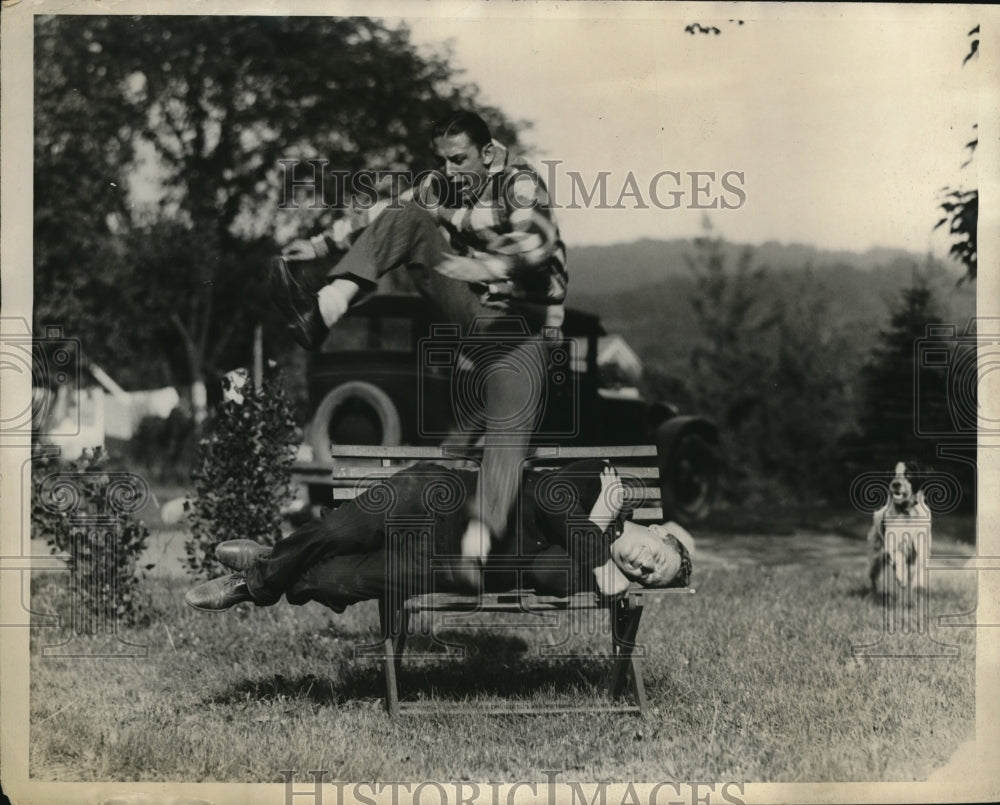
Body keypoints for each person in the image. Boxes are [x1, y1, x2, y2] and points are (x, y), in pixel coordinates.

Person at [271, 111, 567, 567]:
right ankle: (326, 307)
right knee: (409, 211)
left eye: (459, 159)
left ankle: (477, 552)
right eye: (443, 160)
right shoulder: (445, 182)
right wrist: (319, 245)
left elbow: (537, 247)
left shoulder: (522, 183)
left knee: (508, 423)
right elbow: (381, 212)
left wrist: (487, 267)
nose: (450, 170)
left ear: (487, 153)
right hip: (475, 310)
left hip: (523, 326)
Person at [184, 460, 694, 612]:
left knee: (339, 583)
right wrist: (600, 550)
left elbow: (545, 574)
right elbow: (547, 494)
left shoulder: (592, 572)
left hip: (453, 564)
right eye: (657, 555)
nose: (646, 566)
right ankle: (259, 583)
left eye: (651, 574)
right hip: (442, 495)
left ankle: (265, 568)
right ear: (656, 531)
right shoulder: (608, 485)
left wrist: (594, 535)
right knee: (344, 527)